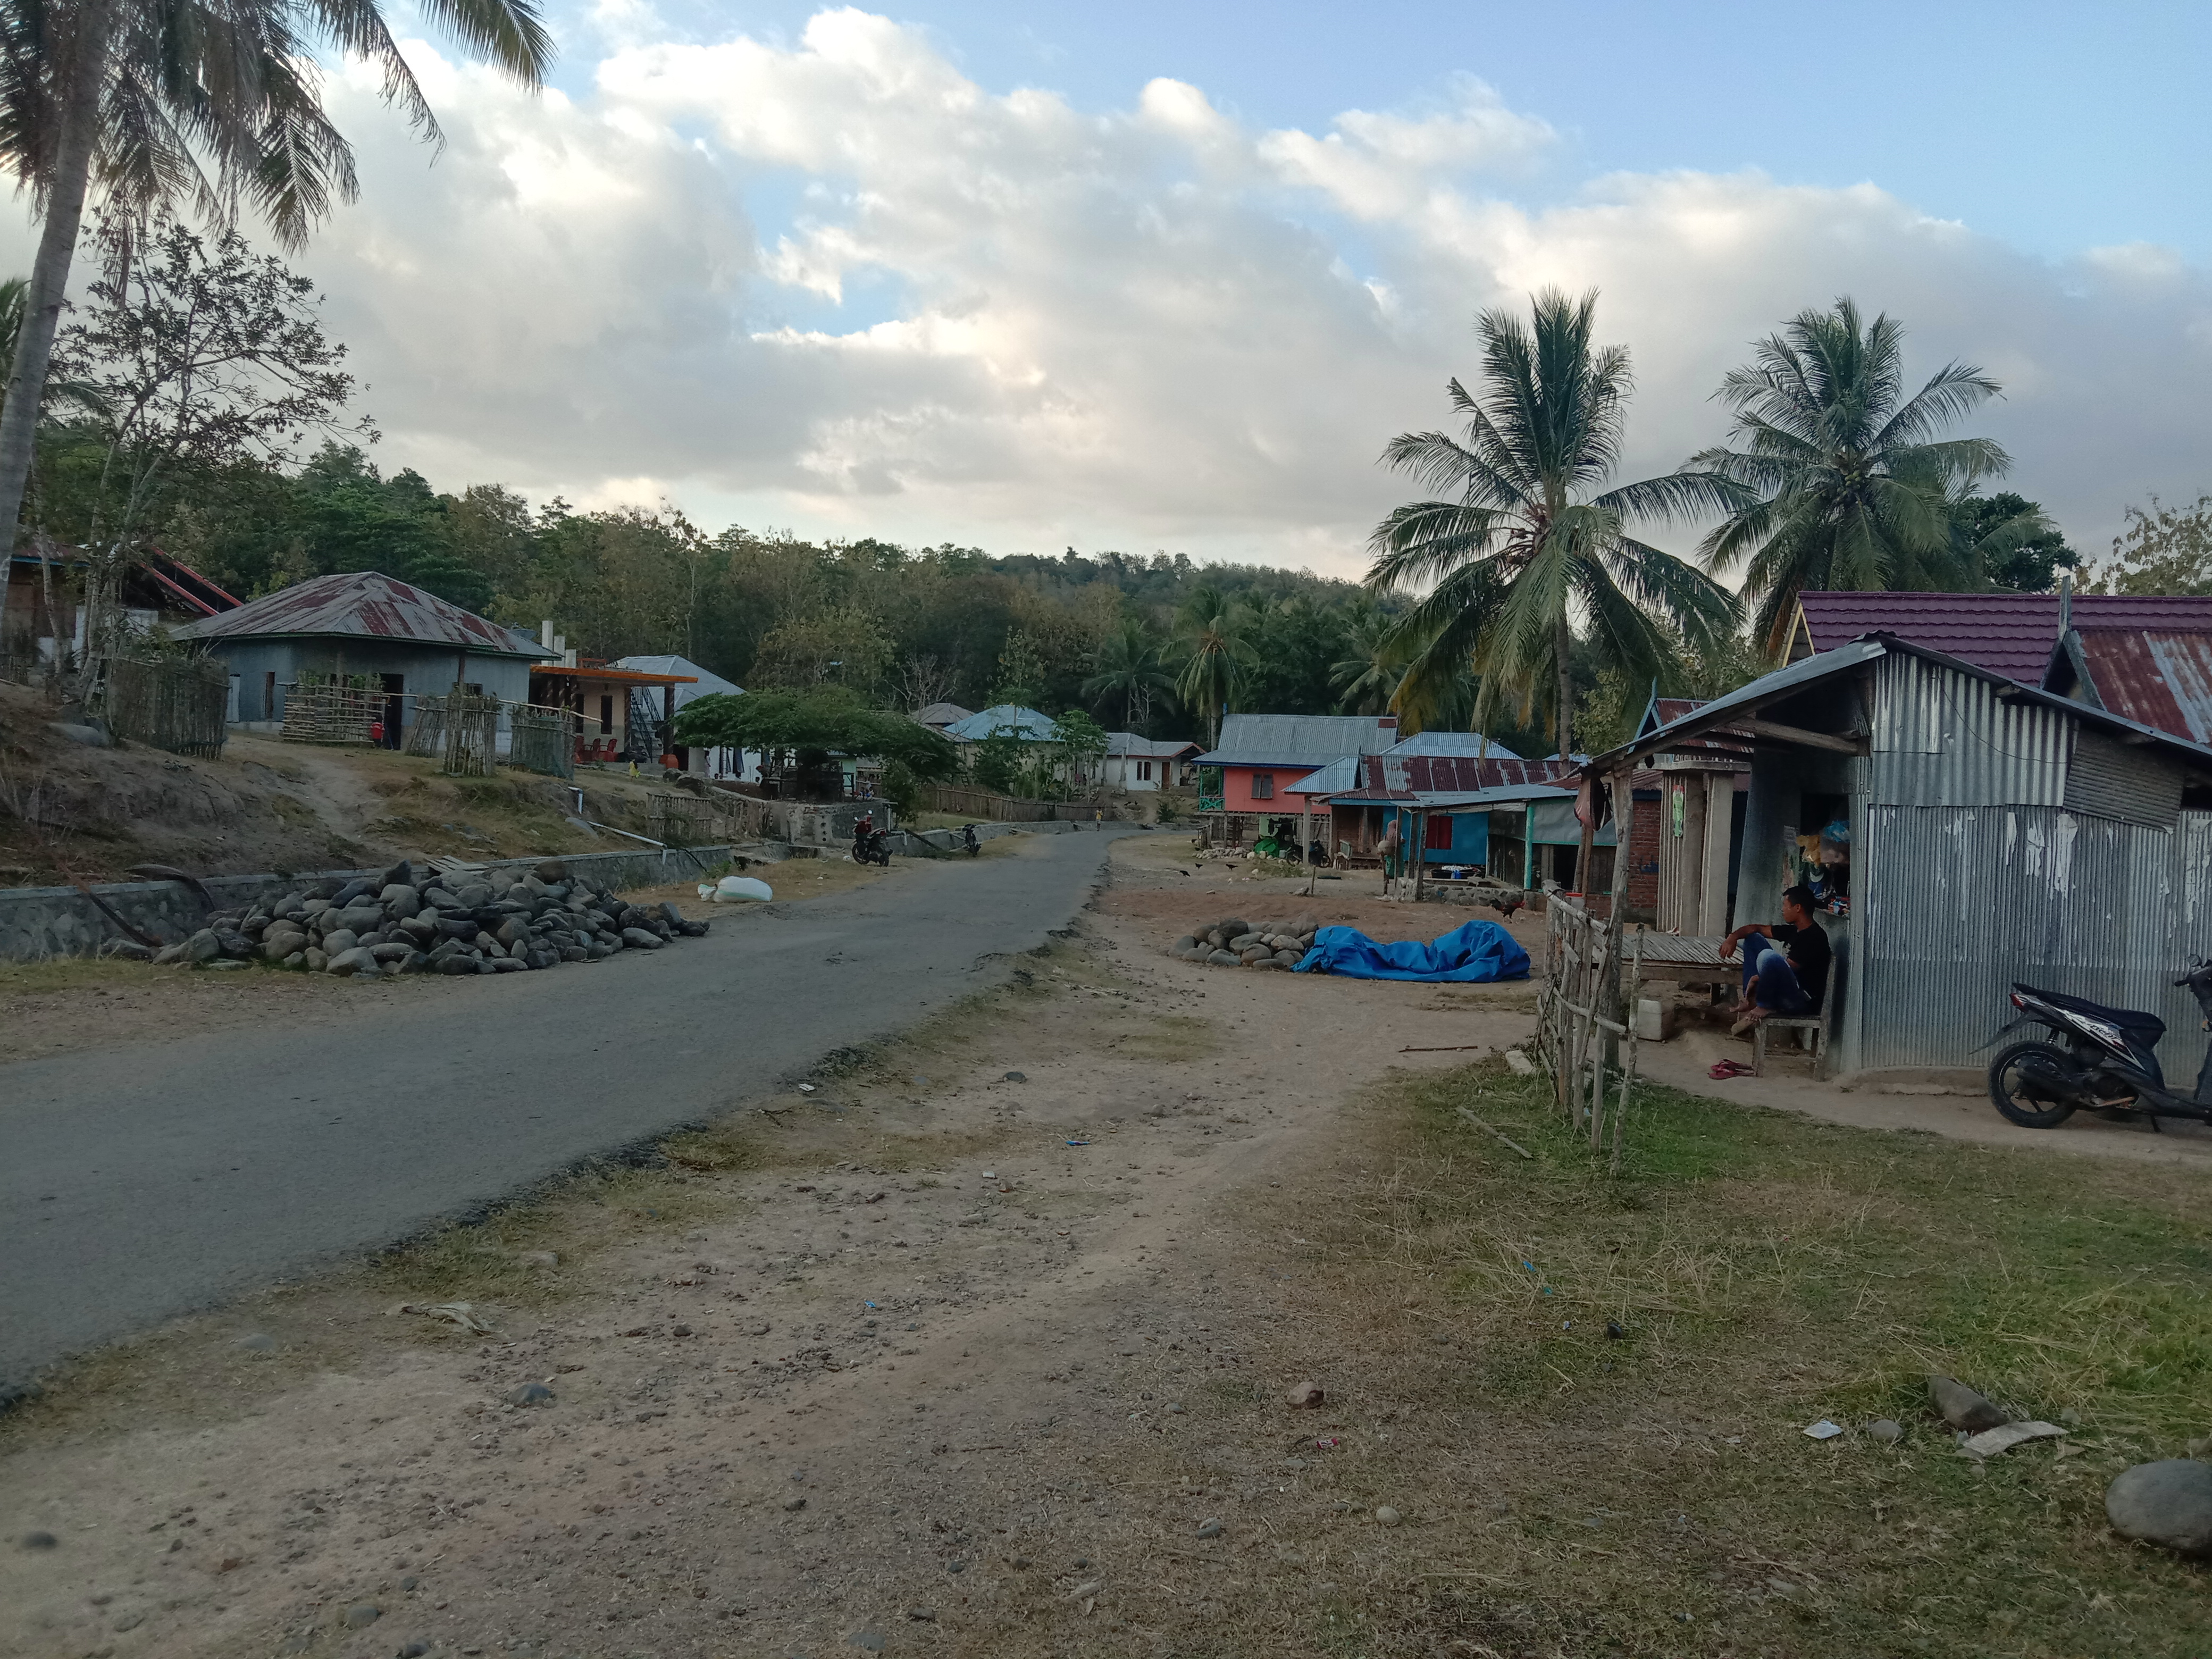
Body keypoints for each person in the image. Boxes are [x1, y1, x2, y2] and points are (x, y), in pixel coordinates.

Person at [1721, 885, 1832, 1037]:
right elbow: (1756, 928)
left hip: (1800, 1001)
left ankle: (1764, 1005)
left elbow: (1788, 969)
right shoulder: (1794, 931)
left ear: (1798, 908)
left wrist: (1756, 978)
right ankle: (1751, 999)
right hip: (1781, 992)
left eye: (1785, 906)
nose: (1782, 910)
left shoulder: (1815, 936)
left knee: (1768, 956)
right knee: (1753, 939)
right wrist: (1732, 937)